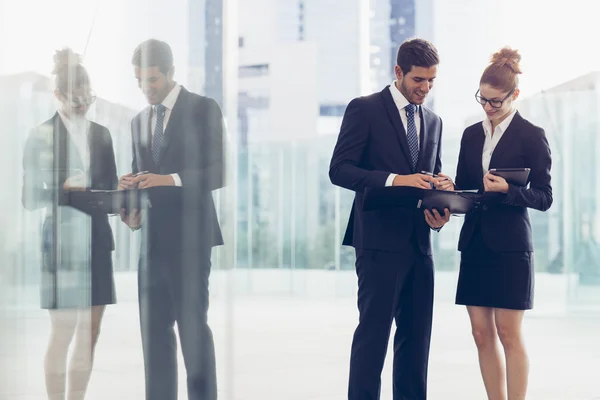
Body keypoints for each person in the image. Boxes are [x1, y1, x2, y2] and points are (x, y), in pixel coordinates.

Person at [329, 38, 452, 400]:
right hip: (378, 243)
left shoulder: (434, 120)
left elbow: (432, 176)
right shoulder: (365, 109)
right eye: (418, 80)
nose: (425, 89)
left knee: (416, 340)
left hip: (420, 244)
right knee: (373, 336)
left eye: (431, 81)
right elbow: (340, 170)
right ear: (398, 72)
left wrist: (440, 209)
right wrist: (395, 179)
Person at [118, 39, 226, 400]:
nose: (146, 89)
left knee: (193, 332)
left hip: (191, 240)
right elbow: (141, 176)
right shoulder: (137, 121)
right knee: (153, 335)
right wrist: (129, 203)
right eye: (139, 82)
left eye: (153, 81)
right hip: (151, 243)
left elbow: (219, 171)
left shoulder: (202, 108)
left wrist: (169, 179)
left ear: (170, 73)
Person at [452, 47, 552, 400]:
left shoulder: (531, 135)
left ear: (515, 95)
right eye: (483, 99)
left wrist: (510, 190)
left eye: (496, 101)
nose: (488, 107)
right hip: (476, 242)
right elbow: (465, 188)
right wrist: (447, 197)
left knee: (508, 333)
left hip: (510, 247)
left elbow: (544, 197)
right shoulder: (470, 135)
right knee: (481, 333)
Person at [21, 48, 118, 400]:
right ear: (58, 96)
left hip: (96, 240)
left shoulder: (103, 135)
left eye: (89, 98)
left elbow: (109, 188)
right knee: (62, 332)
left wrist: (124, 202)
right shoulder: (41, 136)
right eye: (76, 99)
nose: (84, 105)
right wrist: (62, 190)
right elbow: (30, 197)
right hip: (61, 243)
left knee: (90, 333)